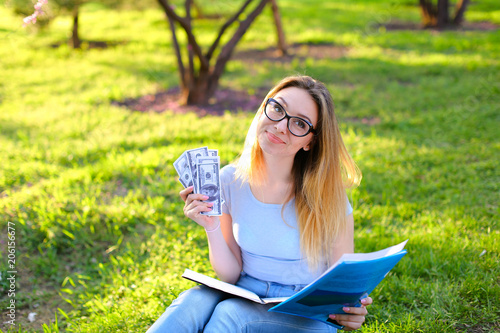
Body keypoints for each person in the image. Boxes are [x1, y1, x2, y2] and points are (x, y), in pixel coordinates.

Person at [146, 75, 372, 332]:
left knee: (229, 314)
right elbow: (231, 274)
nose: (280, 126)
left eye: (299, 123)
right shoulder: (230, 180)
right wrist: (211, 226)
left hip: (303, 309)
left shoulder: (329, 195)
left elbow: (343, 285)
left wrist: (353, 310)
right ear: (264, 108)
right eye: (277, 108)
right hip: (246, 291)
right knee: (192, 301)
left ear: (311, 141)